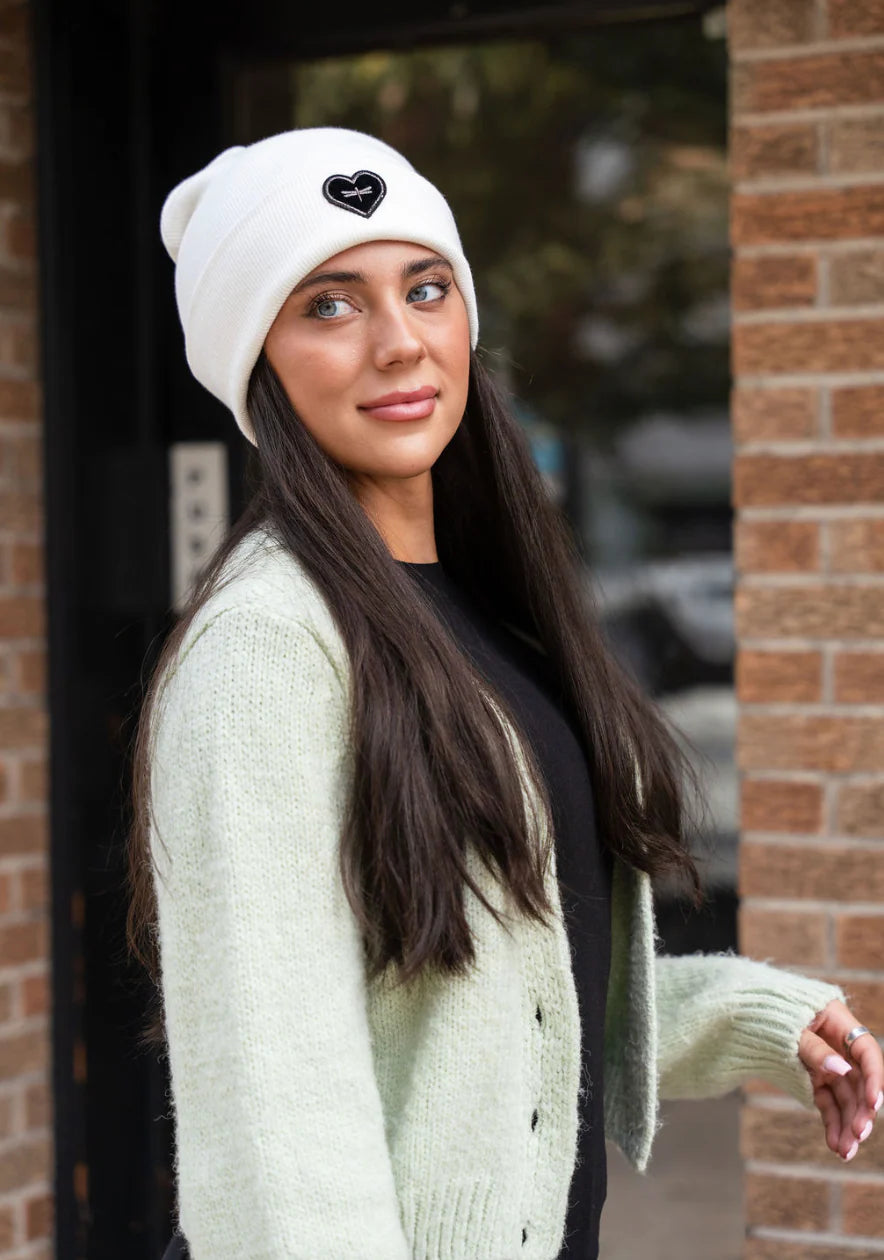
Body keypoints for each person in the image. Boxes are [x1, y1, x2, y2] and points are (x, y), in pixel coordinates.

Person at [125, 127, 883, 1260]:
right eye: (329, 305)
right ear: (257, 364)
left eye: (425, 288)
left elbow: (488, 1014)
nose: (399, 341)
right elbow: (275, 1112)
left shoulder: (485, 610)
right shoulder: (268, 648)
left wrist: (749, 1016)